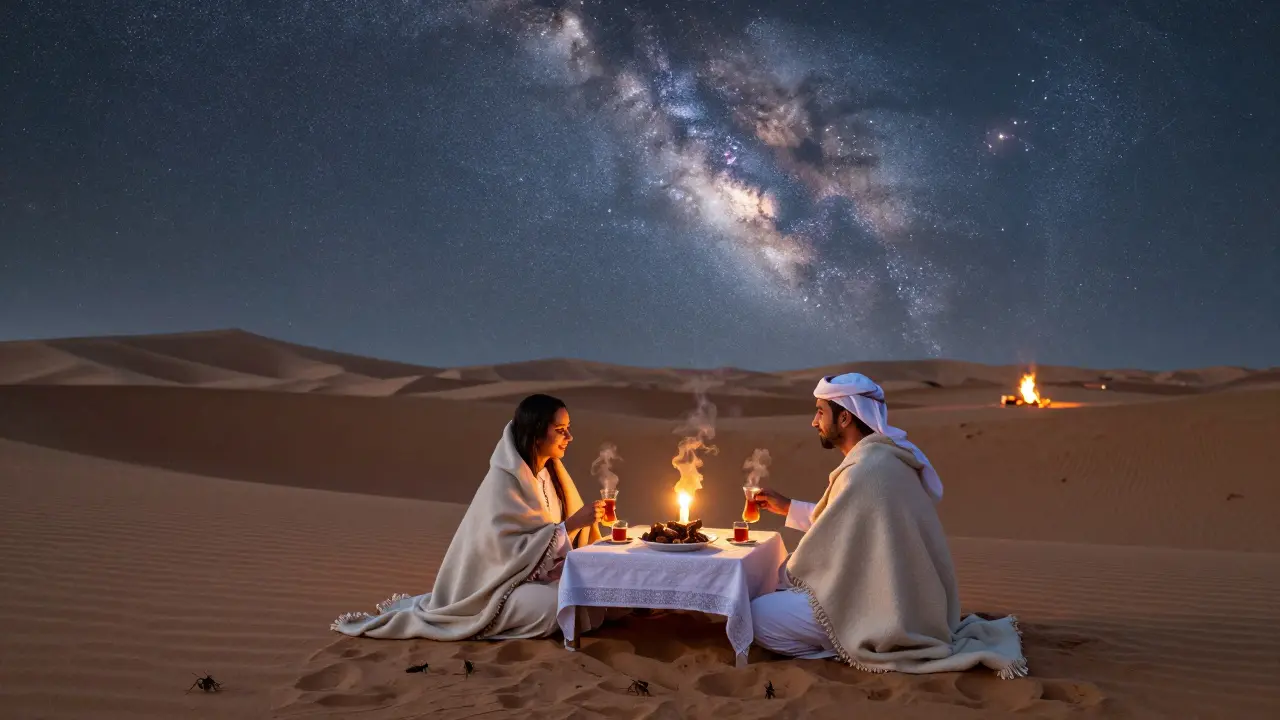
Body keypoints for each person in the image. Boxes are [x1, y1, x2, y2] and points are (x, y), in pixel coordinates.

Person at [748, 373, 1027, 679]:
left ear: (844, 418)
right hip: (899, 596)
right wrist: (788, 507)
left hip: (881, 605)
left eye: (819, 412)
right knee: (776, 591)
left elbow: (832, 539)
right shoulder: (886, 457)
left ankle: (848, 645)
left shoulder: (866, 470)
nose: (814, 422)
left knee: (758, 616)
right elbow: (848, 525)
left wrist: (790, 574)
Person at [330, 394, 610, 641]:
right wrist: (572, 525)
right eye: (561, 430)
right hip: (499, 588)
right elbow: (506, 554)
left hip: (543, 576)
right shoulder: (505, 483)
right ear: (536, 434)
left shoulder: (555, 476)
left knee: (597, 594)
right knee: (558, 606)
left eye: (569, 429)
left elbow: (557, 540)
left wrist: (580, 529)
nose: (569, 437)